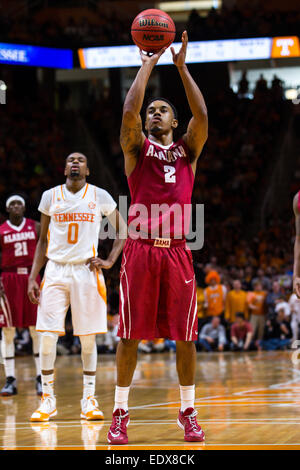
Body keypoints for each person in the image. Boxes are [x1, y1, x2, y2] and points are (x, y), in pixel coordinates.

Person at [107, 31, 208, 444]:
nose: (154, 113)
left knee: (186, 337)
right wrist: (147, 63)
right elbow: (129, 113)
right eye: (152, 110)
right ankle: (119, 413)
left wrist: (181, 68)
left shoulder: (189, 151)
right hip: (141, 250)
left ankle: (188, 411)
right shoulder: (136, 149)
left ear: (173, 122)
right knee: (129, 335)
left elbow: (202, 117)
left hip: (179, 251)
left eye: (162, 110)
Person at [27, 152, 126, 422]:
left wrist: (109, 261)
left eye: (81, 160)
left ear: (88, 169)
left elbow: (123, 230)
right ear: (64, 169)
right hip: (56, 270)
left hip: (86, 271)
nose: (75, 162)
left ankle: (89, 399)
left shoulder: (99, 195)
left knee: (87, 339)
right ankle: (48, 400)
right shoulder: (50, 196)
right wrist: (32, 277)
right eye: (70, 159)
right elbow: (42, 243)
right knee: (47, 338)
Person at [0, 195, 42, 396]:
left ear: (24, 208)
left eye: (19, 204)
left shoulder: (36, 226)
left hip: (31, 278)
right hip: (8, 280)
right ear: (8, 209)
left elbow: (47, 252)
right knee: (7, 330)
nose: (16, 206)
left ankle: (41, 377)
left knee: (36, 329)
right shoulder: (1, 231)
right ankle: (10, 379)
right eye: (12, 204)